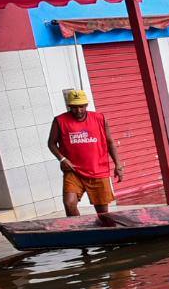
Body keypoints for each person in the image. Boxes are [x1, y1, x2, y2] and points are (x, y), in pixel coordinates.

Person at [46, 88, 123, 221]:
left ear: (86, 105)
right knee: (69, 204)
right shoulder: (59, 121)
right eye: (74, 107)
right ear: (69, 106)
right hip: (73, 171)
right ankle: (79, 230)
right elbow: (51, 144)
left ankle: (106, 234)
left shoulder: (100, 118)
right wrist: (62, 159)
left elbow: (110, 143)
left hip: (98, 171)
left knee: (103, 214)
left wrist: (118, 165)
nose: (78, 110)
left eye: (81, 106)